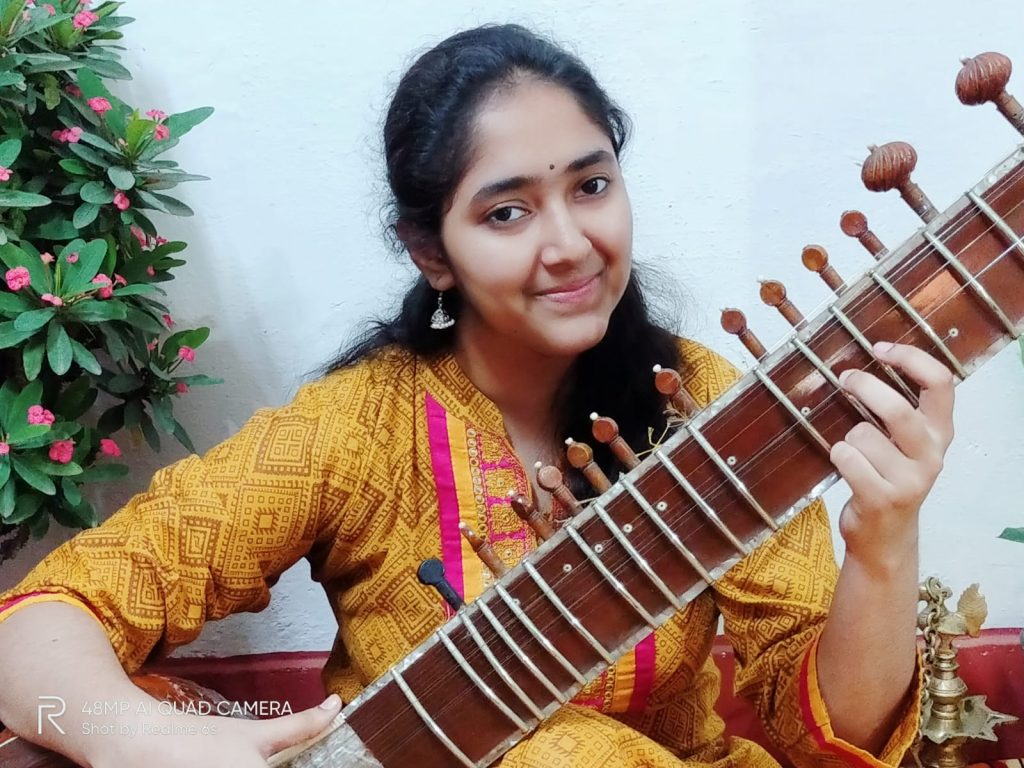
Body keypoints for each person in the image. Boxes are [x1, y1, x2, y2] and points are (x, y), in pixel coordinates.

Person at [0, 23, 955, 768]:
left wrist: (884, 538)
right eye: (507, 211)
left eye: (592, 186)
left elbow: (826, 737)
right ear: (431, 252)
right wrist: (138, 737)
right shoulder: (359, 430)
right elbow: (39, 626)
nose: (569, 244)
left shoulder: (699, 402)